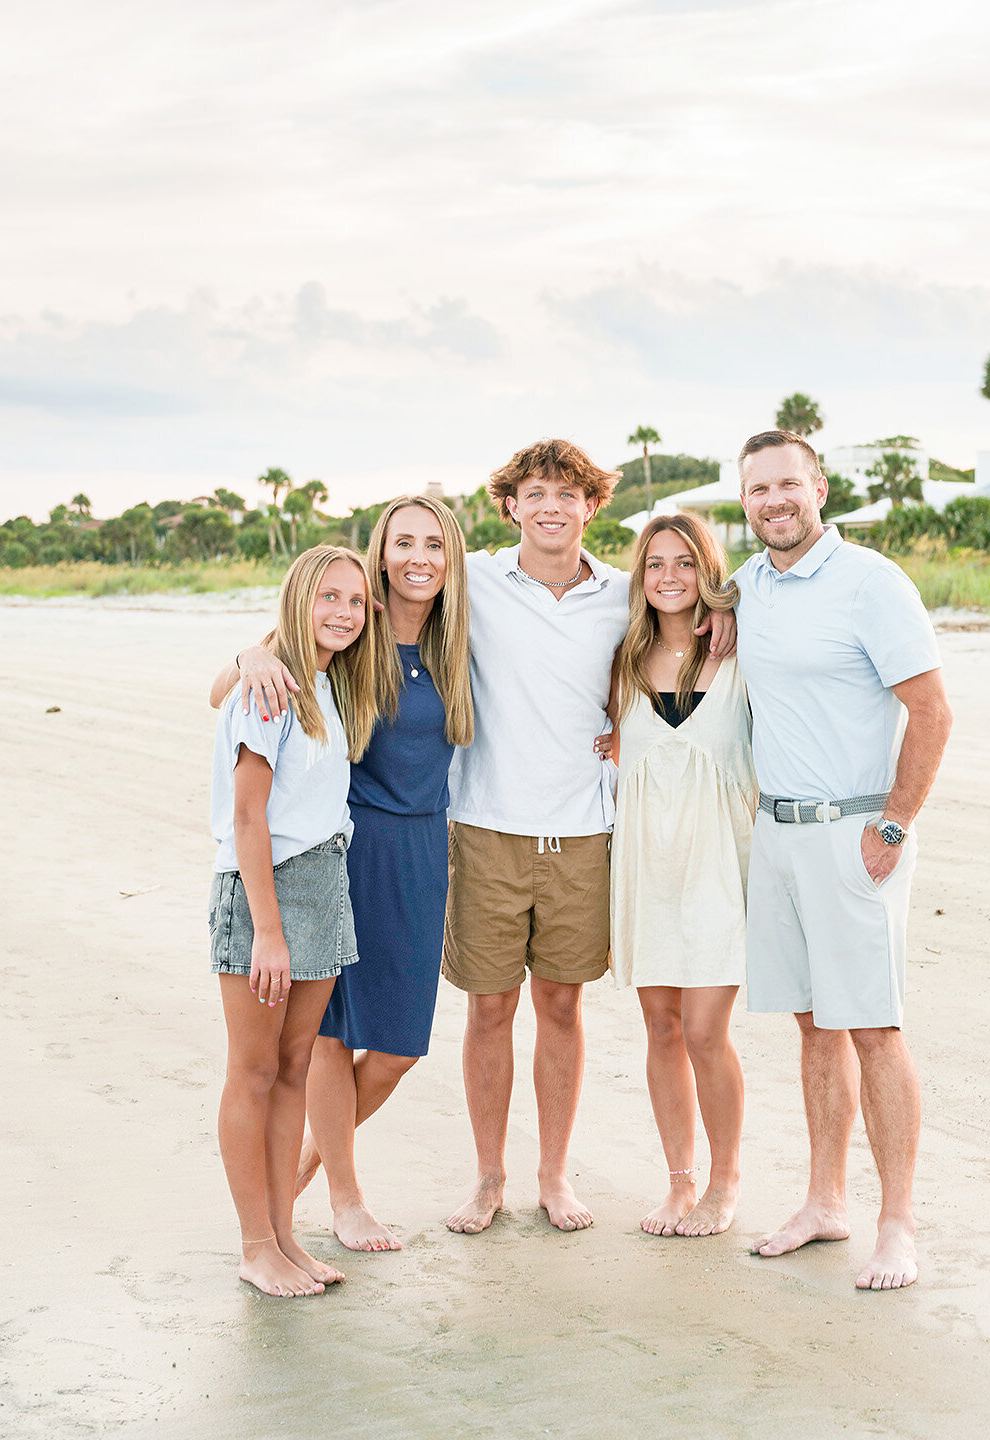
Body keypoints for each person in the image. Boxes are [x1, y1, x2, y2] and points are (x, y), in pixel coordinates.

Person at [442, 439, 737, 1235]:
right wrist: (262, 649)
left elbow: (676, 647)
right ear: (510, 505)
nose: (550, 507)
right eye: (535, 493)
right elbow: (367, 609)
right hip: (486, 825)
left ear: (591, 507)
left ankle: (554, 1177)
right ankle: (488, 1178)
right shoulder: (471, 581)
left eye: (567, 495)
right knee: (489, 1011)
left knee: (563, 1010)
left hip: (583, 832)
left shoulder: (623, 593)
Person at [211, 497, 473, 1254]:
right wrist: (247, 656)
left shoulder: (458, 640)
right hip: (344, 847)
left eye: (434, 544)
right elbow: (231, 696)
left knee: (395, 1047)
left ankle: (287, 1178)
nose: (419, 557)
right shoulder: (350, 630)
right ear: (380, 554)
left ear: (451, 557)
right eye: (403, 543)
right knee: (325, 1038)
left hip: (424, 851)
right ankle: (340, 1198)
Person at [734, 430, 953, 1291]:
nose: (775, 500)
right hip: (778, 835)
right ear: (744, 499)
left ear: (818, 487)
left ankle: (896, 1225)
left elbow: (932, 712)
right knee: (813, 1025)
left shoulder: (871, 581)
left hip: (858, 834)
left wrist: (894, 826)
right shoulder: (747, 586)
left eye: (789, 483)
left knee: (872, 1026)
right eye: (758, 489)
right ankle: (825, 1202)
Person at [208, 545, 377, 1297]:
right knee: (252, 1071)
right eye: (327, 597)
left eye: (353, 600)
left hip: (321, 882)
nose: (342, 612)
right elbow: (248, 817)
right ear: (298, 600)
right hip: (264, 892)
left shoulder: (325, 683)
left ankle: (285, 1238)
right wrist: (267, 931)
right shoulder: (267, 690)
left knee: (293, 1072)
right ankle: (254, 1246)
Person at [602, 514, 755, 1239]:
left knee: (703, 1030)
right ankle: (680, 1182)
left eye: (685, 564)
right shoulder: (623, 662)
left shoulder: (741, 650)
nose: (669, 576)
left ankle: (726, 1181)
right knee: (661, 1028)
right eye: (655, 564)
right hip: (646, 866)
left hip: (719, 866)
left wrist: (729, 608)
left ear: (708, 572)